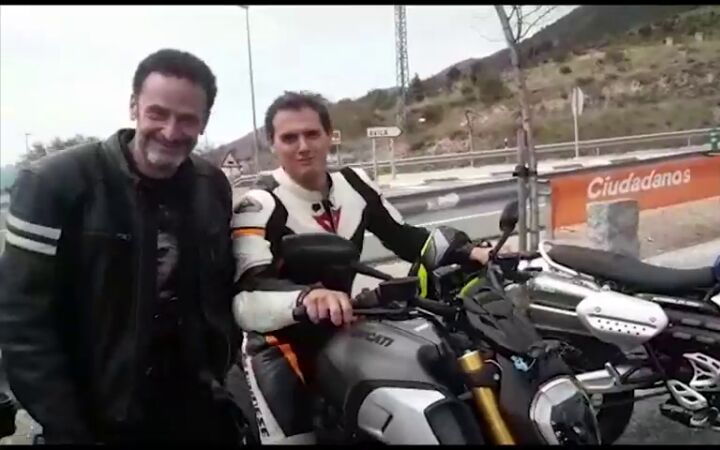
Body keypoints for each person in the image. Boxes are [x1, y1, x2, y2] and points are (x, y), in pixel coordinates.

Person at [0, 49, 245, 444]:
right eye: (157, 113)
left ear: (204, 121)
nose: (170, 131)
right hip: (98, 420)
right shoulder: (54, 184)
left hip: (198, 408)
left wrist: (220, 373)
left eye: (187, 119)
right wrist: (67, 428)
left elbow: (219, 291)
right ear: (134, 106)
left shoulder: (211, 185)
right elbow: (21, 322)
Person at [228, 91, 493, 444]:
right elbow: (246, 297)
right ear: (272, 144)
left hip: (347, 327)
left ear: (329, 136)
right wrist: (307, 297)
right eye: (289, 138)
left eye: (312, 134)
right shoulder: (259, 203)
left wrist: (470, 251)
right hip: (281, 343)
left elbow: (405, 239)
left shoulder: (355, 184)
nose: (303, 147)